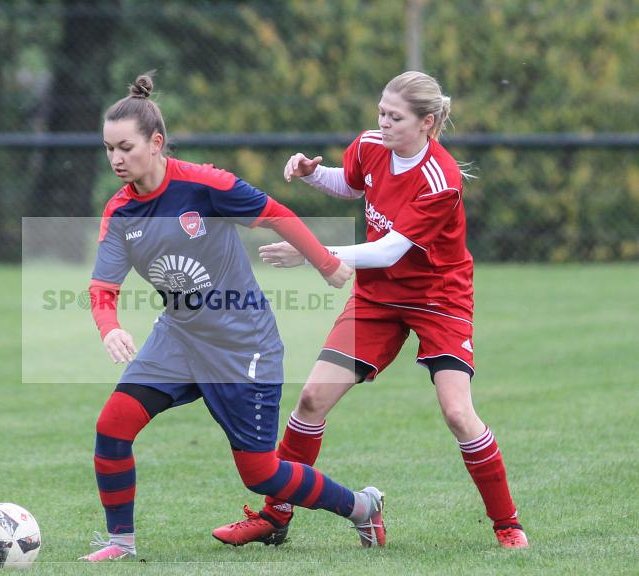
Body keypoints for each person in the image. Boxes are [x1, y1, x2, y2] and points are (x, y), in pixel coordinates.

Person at [212, 71, 529, 549]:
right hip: (378, 298)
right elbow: (353, 184)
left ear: (426, 123)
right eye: (381, 111)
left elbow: (388, 251)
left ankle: (508, 525)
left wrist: (313, 252)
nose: (383, 123)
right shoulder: (370, 144)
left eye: (395, 117)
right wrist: (312, 174)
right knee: (312, 400)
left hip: (438, 299)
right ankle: (274, 516)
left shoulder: (439, 180)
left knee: (459, 413)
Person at [80, 72, 387, 562]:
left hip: (244, 344)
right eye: (108, 149)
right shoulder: (119, 213)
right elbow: (102, 288)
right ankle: (120, 543)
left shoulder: (204, 184)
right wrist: (110, 326)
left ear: (156, 143)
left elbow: (275, 213)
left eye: (125, 147)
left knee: (261, 472)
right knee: (112, 427)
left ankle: (362, 507)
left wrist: (325, 263)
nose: (116, 159)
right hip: (178, 341)